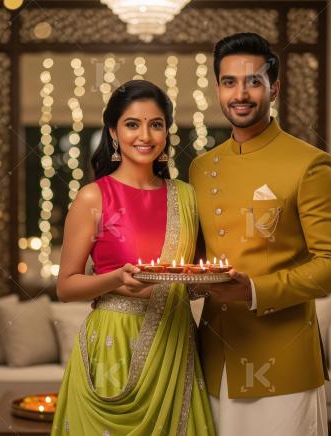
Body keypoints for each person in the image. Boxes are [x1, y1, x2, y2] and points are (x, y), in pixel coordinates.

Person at [188, 32, 331, 435]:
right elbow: (197, 259)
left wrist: (255, 291)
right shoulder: (200, 167)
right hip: (213, 359)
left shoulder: (311, 164)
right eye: (229, 82)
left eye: (253, 81)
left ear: (273, 88)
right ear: (217, 88)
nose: (240, 93)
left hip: (283, 366)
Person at [52, 80, 215, 436]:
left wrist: (211, 283)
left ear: (167, 131)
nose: (145, 135)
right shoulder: (93, 198)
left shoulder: (186, 197)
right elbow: (65, 287)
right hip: (113, 345)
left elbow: (197, 276)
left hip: (173, 344)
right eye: (132, 124)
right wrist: (115, 279)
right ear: (113, 131)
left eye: (156, 124)